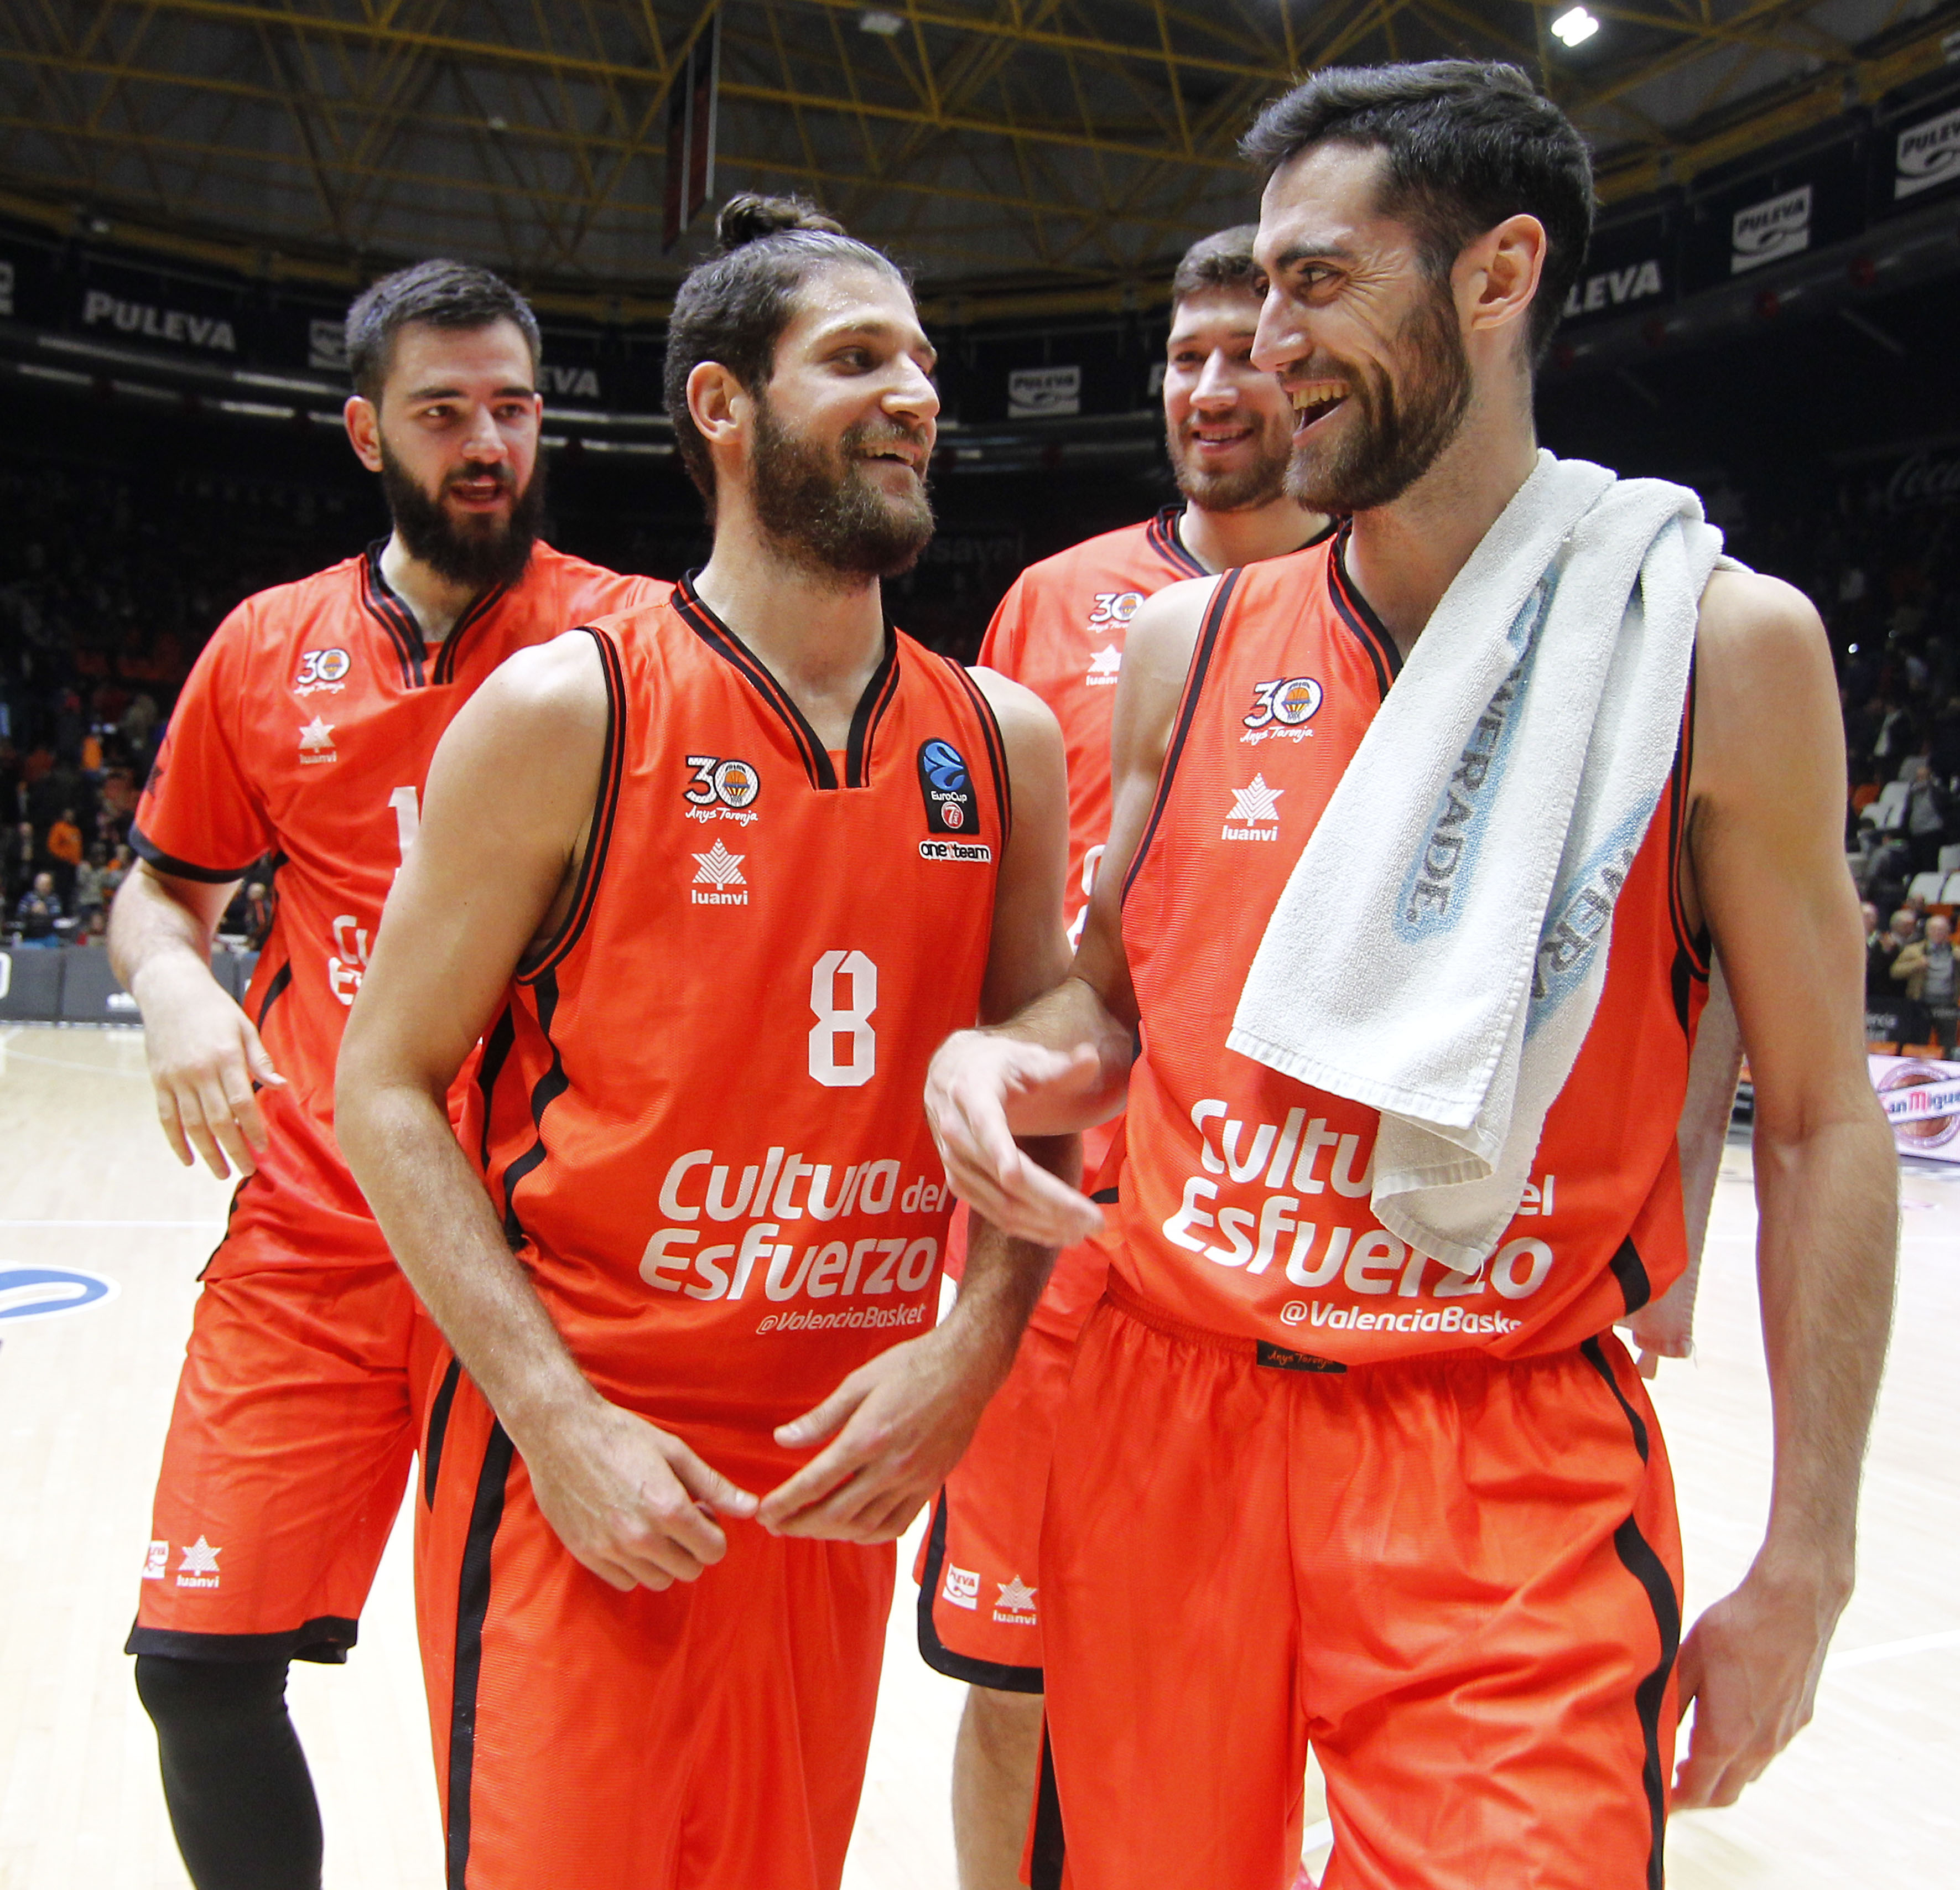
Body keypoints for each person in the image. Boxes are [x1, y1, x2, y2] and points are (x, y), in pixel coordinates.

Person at [926, 62, 1897, 1890]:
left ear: (1495, 273)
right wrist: (993, 1060)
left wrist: (1809, 1556)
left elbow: (1820, 1119)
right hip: (1172, 1411)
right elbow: (1114, 1008)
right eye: (1255, 290)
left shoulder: (1715, 645)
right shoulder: (1185, 645)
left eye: (1316, 282)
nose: (1263, 344)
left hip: (1497, 1435)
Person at [334, 195, 1074, 1890]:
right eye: (856, 358)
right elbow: (381, 1083)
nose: (913, 395)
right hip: (591, 1454)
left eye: (922, 362)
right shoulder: (569, 708)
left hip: (836, 1464)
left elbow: (1042, 1091)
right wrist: (552, 1416)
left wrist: (970, 1350)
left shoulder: (998, 739)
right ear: (722, 406)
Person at [108, 258, 666, 1890]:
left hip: (540, 1259)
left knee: (540, 1718)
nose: (486, 444)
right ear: (366, 432)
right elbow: (158, 890)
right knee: (194, 1671)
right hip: (314, 1238)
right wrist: (173, 984)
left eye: (513, 408)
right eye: (443, 413)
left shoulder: (635, 638)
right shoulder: (265, 645)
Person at [916, 222, 1333, 1890]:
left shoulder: (1400, 598)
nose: (1211, 386)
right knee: (1009, 1678)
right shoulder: (1054, 600)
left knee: (1240, 1690)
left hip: (1276, 1240)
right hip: (1060, 1228)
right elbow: (976, 908)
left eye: (1247, 352)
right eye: (1184, 355)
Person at [1891, 912, 1956, 1052]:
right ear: (1927, 932)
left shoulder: (1956, 953)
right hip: (1920, 1003)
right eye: (1934, 929)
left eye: (1942, 930)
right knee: (1918, 1042)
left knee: (1948, 1044)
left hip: (1947, 1004)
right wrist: (1916, 965)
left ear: (1948, 932)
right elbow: (1895, 972)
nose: (1938, 933)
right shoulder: (1914, 950)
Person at [13, 869, 61, 946]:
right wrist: (32, 911)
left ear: (51, 886)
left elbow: (56, 916)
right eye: (41, 884)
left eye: (47, 885)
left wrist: (45, 912)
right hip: (30, 935)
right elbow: (20, 914)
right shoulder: (28, 898)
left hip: (48, 935)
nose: (44, 887)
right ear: (36, 885)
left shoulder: (54, 899)